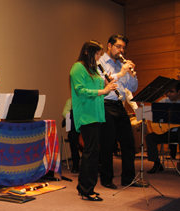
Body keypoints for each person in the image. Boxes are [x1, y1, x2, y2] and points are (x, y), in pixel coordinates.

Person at [70, 40, 117, 201]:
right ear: (88, 52)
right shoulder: (78, 68)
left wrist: (106, 85)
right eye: (97, 53)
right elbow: (80, 91)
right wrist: (103, 89)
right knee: (91, 153)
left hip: (96, 114)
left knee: (92, 152)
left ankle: (83, 186)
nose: (99, 56)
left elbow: (100, 92)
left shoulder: (94, 70)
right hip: (86, 114)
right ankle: (86, 189)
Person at [98, 34, 146, 189]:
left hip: (119, 105)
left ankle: (128, 179)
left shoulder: (121, 65)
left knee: (129, 143)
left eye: (124, 48)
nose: (121, 50)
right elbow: (103, 81)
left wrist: (132, 74)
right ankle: (106, 179)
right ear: (109, 45)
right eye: (118, 46)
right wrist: (123, 73)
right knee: (108, 143)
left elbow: (132, 88)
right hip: (105, 104)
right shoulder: (99, 63)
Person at [146, 83, 180, 174]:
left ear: (179, 92)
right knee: (150, 137)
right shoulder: (163, 101)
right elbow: (155, 116)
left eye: (172, 91)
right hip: (166, 132)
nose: (168, 94)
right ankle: (157, 164)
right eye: (167, 92)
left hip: (178, 133)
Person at [62, 98, 80, 173]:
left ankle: (98, 163)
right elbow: (64, 113)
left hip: (87, 127)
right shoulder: (70, 101)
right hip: (75, 128)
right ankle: (76, 164)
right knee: (72, 137)